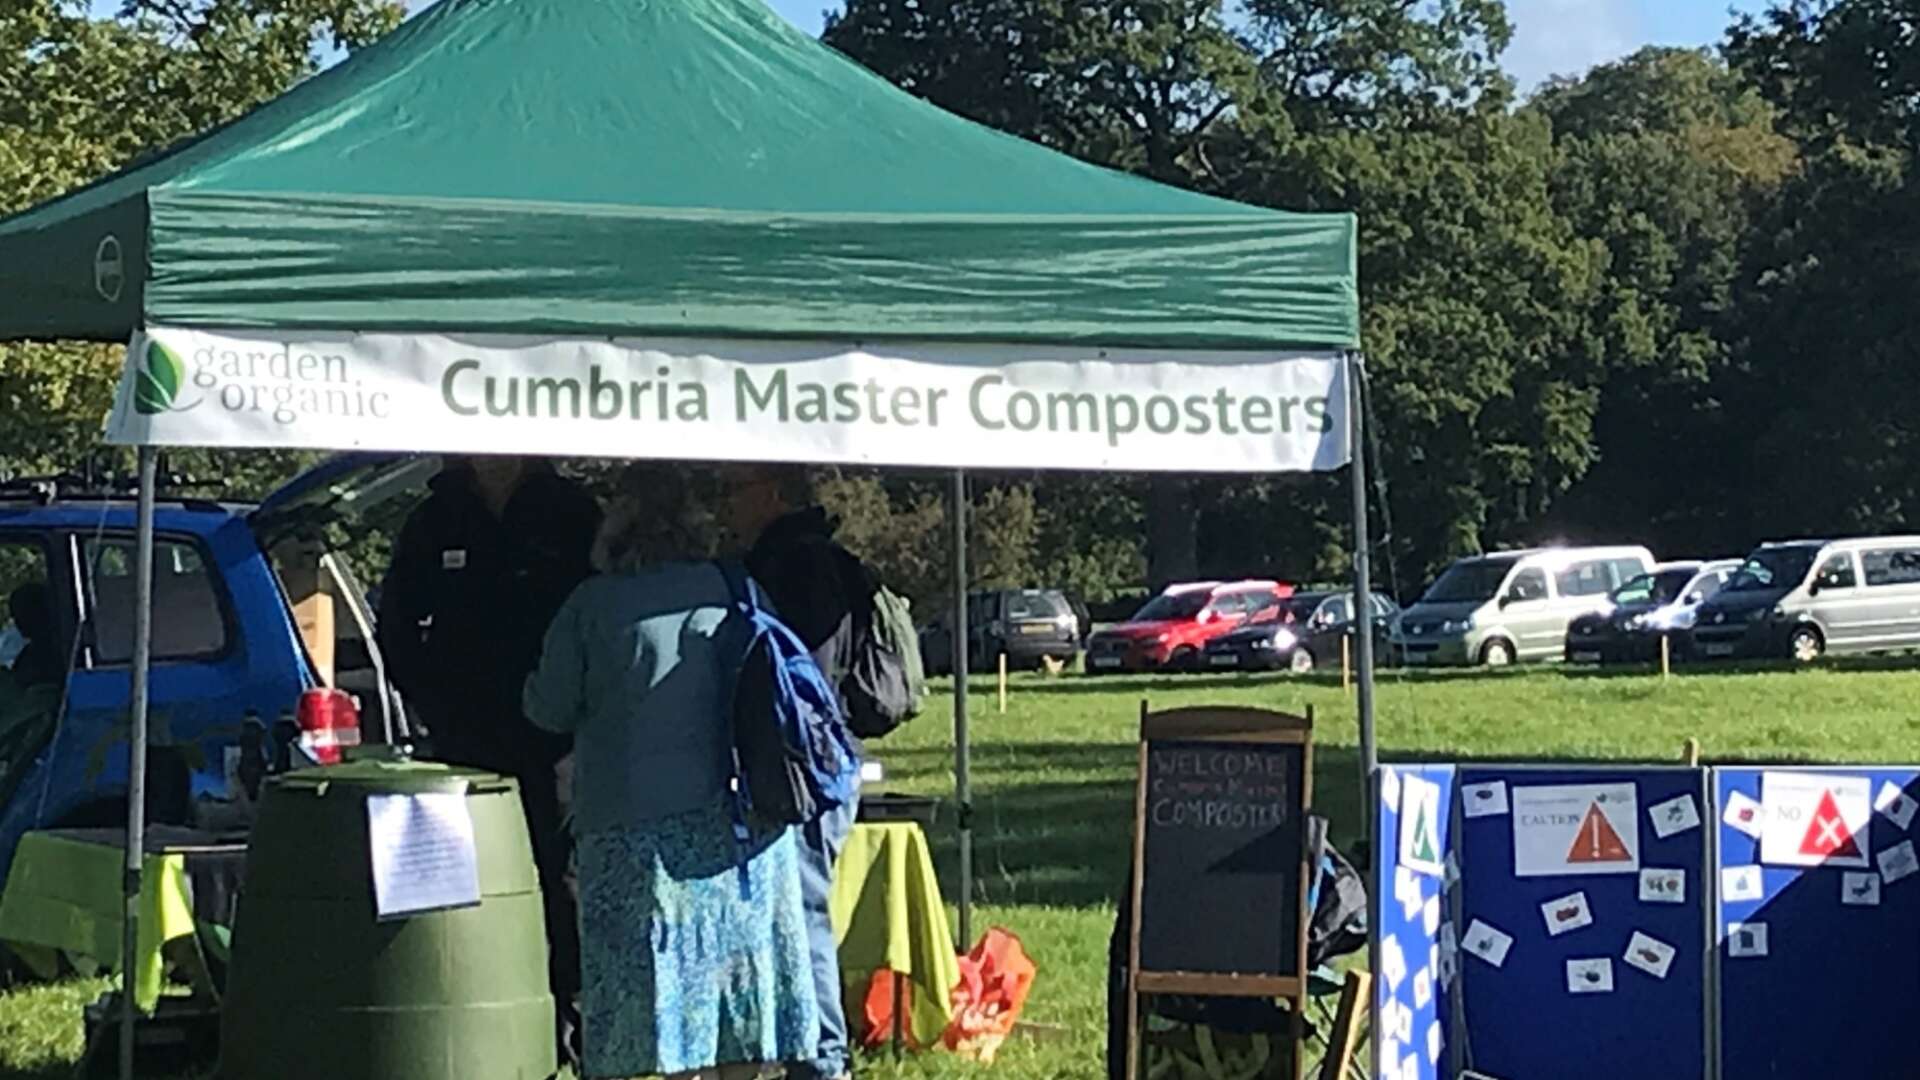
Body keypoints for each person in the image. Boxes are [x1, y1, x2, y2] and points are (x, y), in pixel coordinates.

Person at [523, 473, 818, 1080]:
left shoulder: (592, 605)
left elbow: (546, 708)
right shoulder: (738, 589)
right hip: (741, 827)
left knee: (656, 1000)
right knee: (740, 997)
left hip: (629, 834)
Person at [374, 454, 600, 1069]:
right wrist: (435, 703)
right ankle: (473, 1022)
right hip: (464, 743)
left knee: (563, 880)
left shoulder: (571, 514)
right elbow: (397, 624)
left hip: (555, 740)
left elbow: (599, 614)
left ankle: (575, 1033)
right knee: (463, 883)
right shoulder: (435, 518)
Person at [717, 462, 866, 1080]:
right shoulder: (820, 556)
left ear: (772, 493)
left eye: (735, 490)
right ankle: (806, 1051)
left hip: (802, 765)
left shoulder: (791, 564)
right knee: (799, 911)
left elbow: (802, 672)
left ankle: (823, 1060)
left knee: (803, 912)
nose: (726, 505)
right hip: (821, 761)